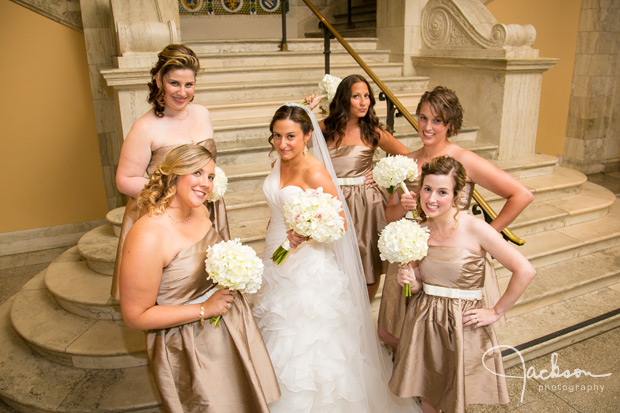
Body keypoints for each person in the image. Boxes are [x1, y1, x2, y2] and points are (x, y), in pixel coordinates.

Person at [252, 104, 418, 412]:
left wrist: (308, 232)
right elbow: (278, 210)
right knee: (273, 325)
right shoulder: (278, 162)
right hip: (275, 255)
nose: (282, 143)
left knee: (305, 338)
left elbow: (340, 223)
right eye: (276, 135)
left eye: (290, 136)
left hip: (308, 265)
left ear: (307, 135)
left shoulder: (314, 169)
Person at [119, 144, 279, 412]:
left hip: (229, 327)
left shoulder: (202, 212)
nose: (206, 183)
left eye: (211, 176)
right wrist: (205, 308)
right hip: (189, 345)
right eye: (196, 173)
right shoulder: (148, 235)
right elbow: (135, 316)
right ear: (174, 174)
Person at [377, 86, 534, 350]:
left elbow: (521, 195)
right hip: (409, 257)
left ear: (450, 124)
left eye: (437, 120)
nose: (427, 126)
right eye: (423, 117)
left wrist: (486, 238)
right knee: (395, 332)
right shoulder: (406, 161)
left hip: (449, 260)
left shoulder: (463, 159)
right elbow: (389, 216)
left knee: (442, 341)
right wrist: (402, 208)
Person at [390, 156, 536, 413]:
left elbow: (525, 270)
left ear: (457, 195)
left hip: (461, 323)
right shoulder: (419, 230)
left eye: (442, 192)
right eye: (427, 189)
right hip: (426, 322)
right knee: (428, 394)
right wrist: (411, 282)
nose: (432, 199)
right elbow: (419, 285)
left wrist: (496, 311)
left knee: (455, 396)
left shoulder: (476, 229)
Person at [111, 43, 229, 300]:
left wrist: (208, 182)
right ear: (159, 80)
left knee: (208, 280)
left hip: (205, 206)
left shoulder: (202, 113)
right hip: (166, 212)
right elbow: (124, 180)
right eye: (174, 83)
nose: (183, 92)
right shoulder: (145, 127)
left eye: (189, 84)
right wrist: (173, 191)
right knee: (175, 289)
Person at [305, 74, 409, 300]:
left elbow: (407, 157)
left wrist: (383, 174)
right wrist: (308, 111)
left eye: (366, 96)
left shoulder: (373, 132)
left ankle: (363, 312)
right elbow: (295, 139)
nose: (363, 102)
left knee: (367, 261)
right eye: (356, 96)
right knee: (331, 260)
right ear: (344, 99)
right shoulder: (326, 127)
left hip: (366, 203)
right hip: (332, 201)